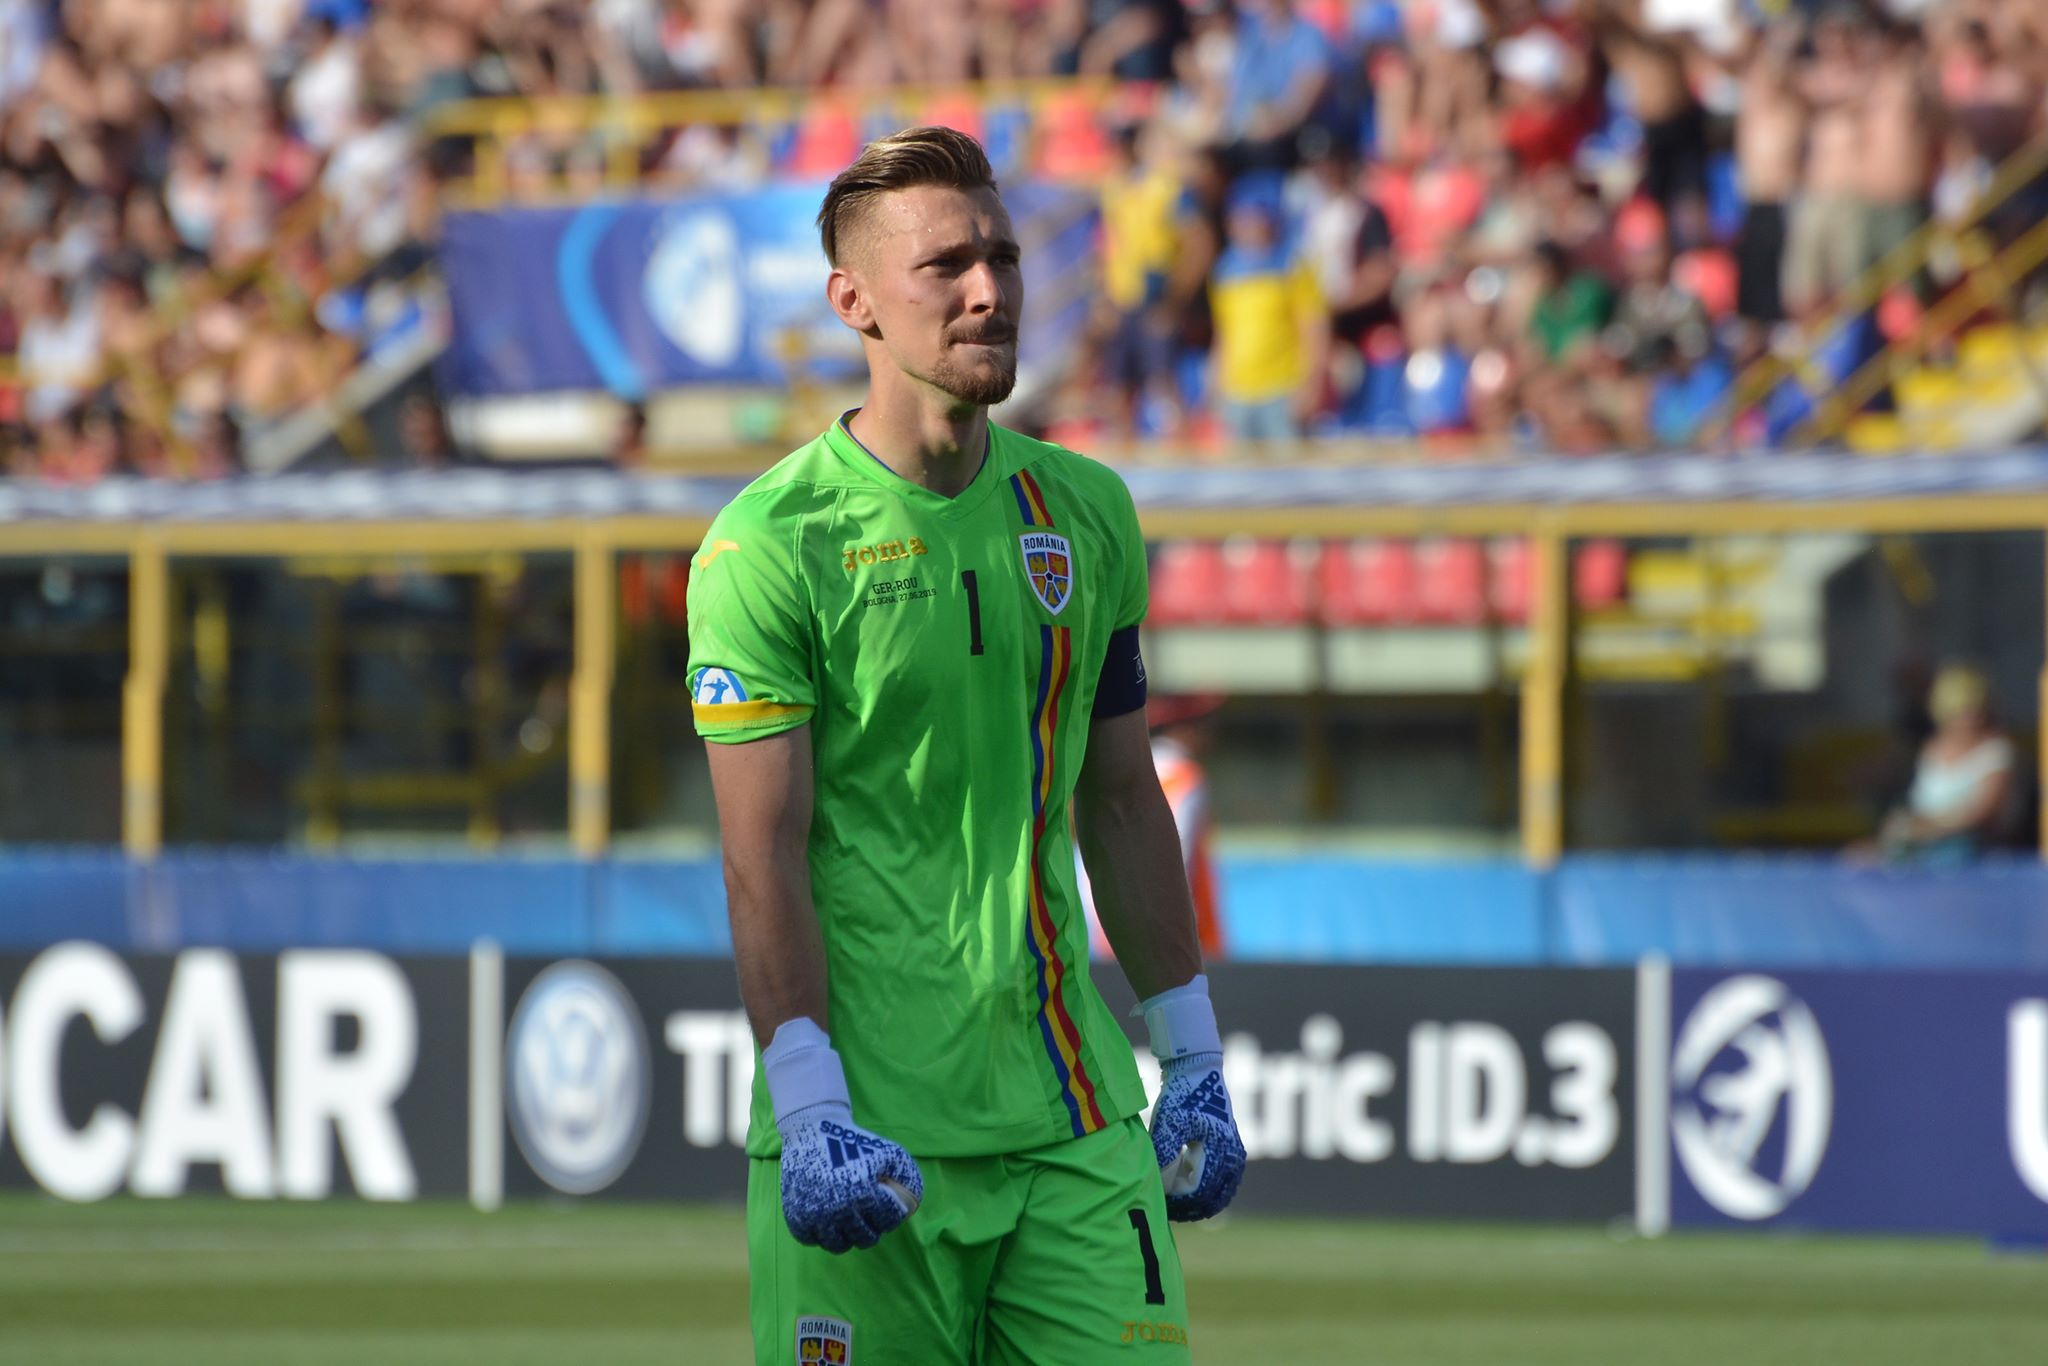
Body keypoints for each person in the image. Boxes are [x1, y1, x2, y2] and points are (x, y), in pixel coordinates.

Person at [686, 127, 1245, 1366]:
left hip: (1074, 1119)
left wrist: (1192, 1053)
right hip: (871, 1138)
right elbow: (760, 853)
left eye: (1002, 256)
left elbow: (1120, 798)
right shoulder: (769, 545)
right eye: (944, 265)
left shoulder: (1086, 512)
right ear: (854, 302)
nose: (988, 289)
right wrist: (809, 1102)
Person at [1866, 663, 2017, 866]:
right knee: (1861, 857)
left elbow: (1982, 814)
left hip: (1967, 850)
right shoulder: (1932, 747)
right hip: (1925, 846)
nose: (1971, 718)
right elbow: (1919, 805)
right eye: (1962, 710)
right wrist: (1900, 828)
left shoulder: (1996, 751)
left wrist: (1925, 830)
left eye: (1976, 709)